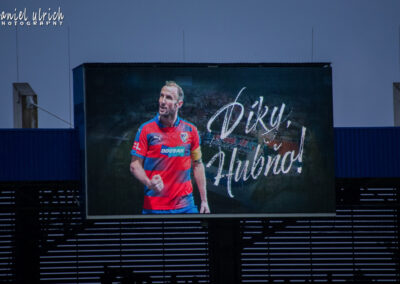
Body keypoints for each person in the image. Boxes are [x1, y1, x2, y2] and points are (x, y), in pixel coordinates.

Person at [130, 81, 210, 214]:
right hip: (155, 209)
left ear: (179, 104)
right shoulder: (146, 130)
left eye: (168, 98)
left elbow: (198, 165)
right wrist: (149, 183)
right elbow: (134, 165)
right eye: (161, 96)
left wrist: (204, 201)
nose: (162, 101)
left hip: (186, 207)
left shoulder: (191, 131)